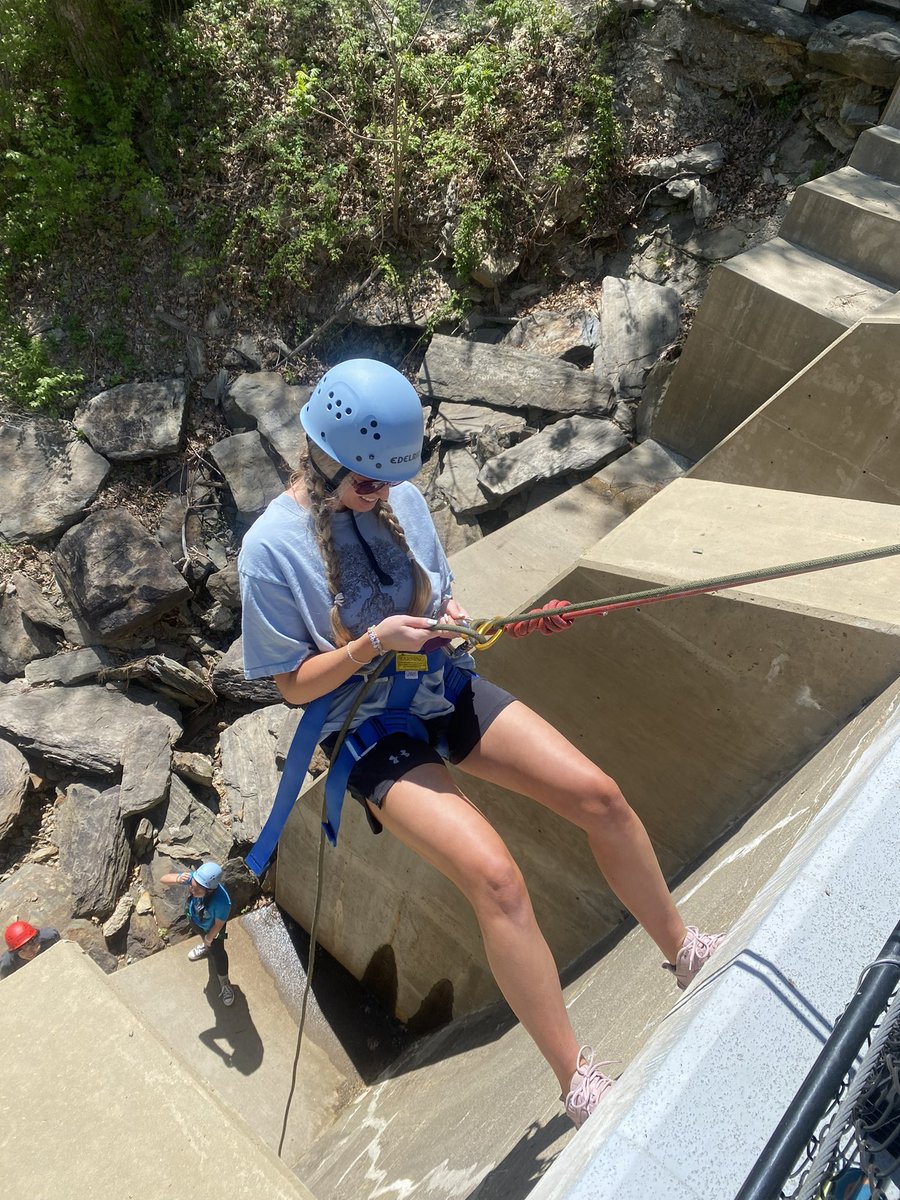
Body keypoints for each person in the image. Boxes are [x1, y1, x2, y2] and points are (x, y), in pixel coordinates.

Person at [238, 358, 723, 1129]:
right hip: (367, 729)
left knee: (597, 795)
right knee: (495, 878)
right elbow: (294, 685)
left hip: (440, 684)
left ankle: (684, 949)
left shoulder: (400, 501)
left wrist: (472, 621)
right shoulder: (270, 549)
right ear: (321, 456)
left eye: (389, 481)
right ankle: (575, 1081)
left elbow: (442, 600)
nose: (380, 493)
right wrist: (370, 644)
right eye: (365, 482)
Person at [160, 861, 234, 1006]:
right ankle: (206, 948)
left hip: (212, 929)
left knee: (218, 953)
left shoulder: (223, 902)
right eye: (191, 886)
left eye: (197, 890)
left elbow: (219, 925)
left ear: (210, 890)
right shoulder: (197, 879)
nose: (192, 891)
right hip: (196, 920)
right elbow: (163, 879)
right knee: (206, 942)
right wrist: (178, 879)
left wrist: (209, 938)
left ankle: (225, 983)